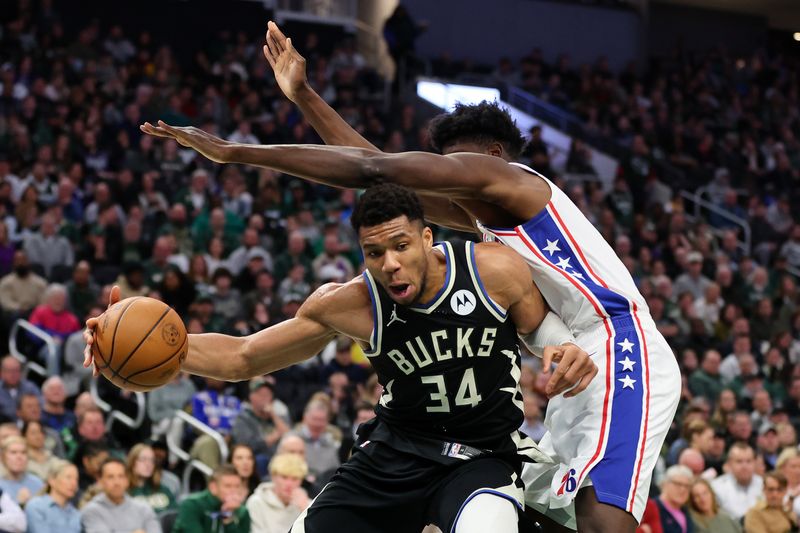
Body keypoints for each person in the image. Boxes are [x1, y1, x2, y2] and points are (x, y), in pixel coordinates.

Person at [141, 22, 683, 532]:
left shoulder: (510, 181)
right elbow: (378, 175)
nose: (443, 180)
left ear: (491, 157)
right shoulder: (480, 218)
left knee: (603, 524)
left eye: (450, 168)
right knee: (564, 518)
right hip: (572, 354)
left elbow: (372, 169)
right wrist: (305, 97)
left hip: (618, 342)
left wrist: (235, 152)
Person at [85, 184, 597, 533]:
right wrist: (149, 351)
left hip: (483, 455)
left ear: (426, 237)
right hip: (396, 454)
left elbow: (539, 328)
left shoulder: (493, 270)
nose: (390, 264)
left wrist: (560, 345)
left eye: (401, 246)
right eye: (374, 253)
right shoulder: (350, 303)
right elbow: (244, 357)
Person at [80, 458, 161, 533]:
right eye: (110, 477)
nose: (117, 482)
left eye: (121, 476)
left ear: (127, 480)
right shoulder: (91, 511)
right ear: (100, 481)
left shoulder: (144, 509)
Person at [231, 378, 289, 477]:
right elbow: (246, 446)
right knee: (261, 460)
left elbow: (289, 436)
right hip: (256, 461)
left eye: (267, 395)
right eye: (260, 394)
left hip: (278, 459)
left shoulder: (277, 418)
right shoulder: (243, 418)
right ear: (251, 397)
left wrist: (273, 415)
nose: (264, 398)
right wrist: (272, 438)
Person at [172, 464, 250, 533]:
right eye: (228, 486)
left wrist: (228, 520)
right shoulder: (192, 505)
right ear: (213, 487)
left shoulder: (242, 511)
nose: (234, 491)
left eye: (237, 486)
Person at [247, 453, 311, 533]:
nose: (289, 484)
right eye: (284, 477)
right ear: (273, 476)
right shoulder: (256, 502)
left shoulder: (308, 504)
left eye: (295, 479)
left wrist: (305, 510)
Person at [710, 442, 763, 521]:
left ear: (755, 463)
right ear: (729, 463)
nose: (744, 466)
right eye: (739, 461)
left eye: (748, 461)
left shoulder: (764, 484)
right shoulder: (716, 487)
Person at [25, 459, 81, 533]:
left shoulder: (76, 514)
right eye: (68, 477)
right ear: (52, 480)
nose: (74, 483)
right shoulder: (36, 507)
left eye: (76, 479)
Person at [125, 443, 177, 514]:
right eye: (143, 459)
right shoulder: (122, 491)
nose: (148, 464)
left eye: (151, 460)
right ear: (132, 462)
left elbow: (175, 515)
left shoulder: (164, 490)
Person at [0, 435, 44, 505]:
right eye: (13, 452)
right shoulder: (1, 485)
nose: (19, 457)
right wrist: (19, 503)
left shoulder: (37, 482)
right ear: (2, 457)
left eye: (23, 452)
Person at [654, 465, 694, 533]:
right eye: (678, 484)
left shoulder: (687, 511)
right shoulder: (652, 508)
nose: (683, 489)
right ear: (665, 483)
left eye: (687, 486)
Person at [0, 356, 40, 422]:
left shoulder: (31, 388)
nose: (13, 374)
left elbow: (41, 406)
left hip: (29, 425)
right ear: (1, 373)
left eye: (16, 370)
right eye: (9, 371)